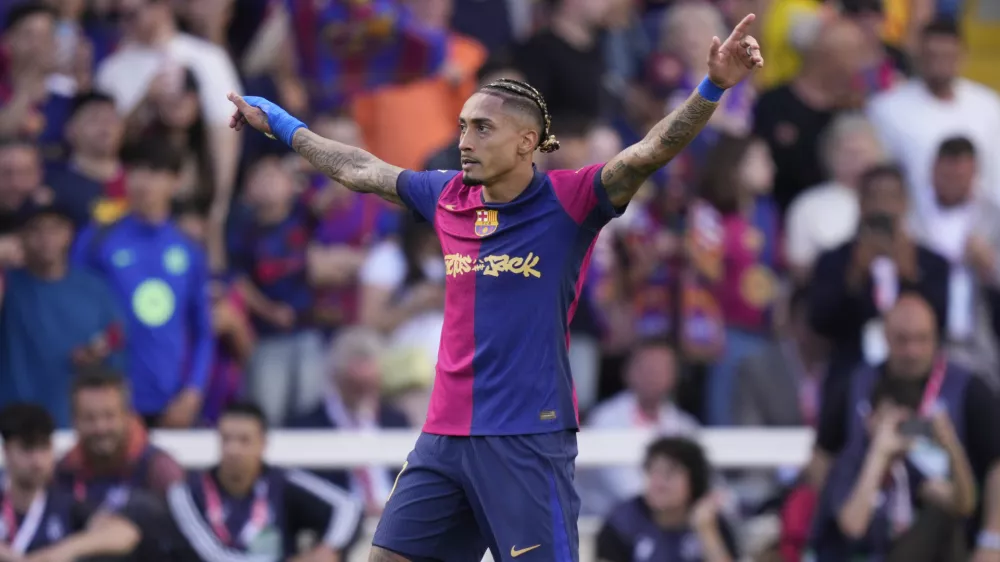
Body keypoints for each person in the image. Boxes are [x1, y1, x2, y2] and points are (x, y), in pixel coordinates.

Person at [228, 13, 764, 562]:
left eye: (482, 128)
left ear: (527, 141)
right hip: (443, 436)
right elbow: (359, 169)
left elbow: (648, 151)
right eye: (463, 125)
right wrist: (285, 126)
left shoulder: (571, 200)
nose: (464, 140)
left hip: (526, 438)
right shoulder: (446, 195)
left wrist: (712, 87)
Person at [72, 139, 214, 428]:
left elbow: (203, 329)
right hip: (110, 405)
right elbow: (74, 310)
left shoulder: (188, 248)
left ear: (175, 182)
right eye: (136, 170)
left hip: (172, 404)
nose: (142, 181)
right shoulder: (97, 240)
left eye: (155, 172)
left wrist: (193, 392)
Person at [166, 401, 362, 561]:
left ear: (263, 444)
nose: (233, 450)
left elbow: (348, 506)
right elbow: (212, 557)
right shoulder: (187, 493)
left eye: (244, 440)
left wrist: (330, 548)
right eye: (226, 439)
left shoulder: (282, 481)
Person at [0, 202, 125, 428]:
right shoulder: (8, 285)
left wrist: (97, 355)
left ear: (69, 234)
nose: (46, 238)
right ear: (21, 236)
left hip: (79, 425)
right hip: (15, 425)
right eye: (36, 229)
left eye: (55, 229)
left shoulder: (94, 288)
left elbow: (117, 340)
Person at [0, 403, 144, 560]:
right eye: (27, 449)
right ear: (7, 450)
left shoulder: (65, 502)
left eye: (44, 448)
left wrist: (58, 553)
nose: (37, 461)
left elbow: (125, 533)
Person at [596, 437, 739, 562]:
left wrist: (707, 532)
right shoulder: (622, 522)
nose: (659, 483)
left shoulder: (712, 523)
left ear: (694, 479)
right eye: (653, 471)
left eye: (669, 473)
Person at [55, 369, 185, 504]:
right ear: (74, 421)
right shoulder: (63, 474)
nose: (100, 428)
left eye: (109, 416)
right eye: (89, 418)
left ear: (127, 416)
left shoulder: (159, 470)